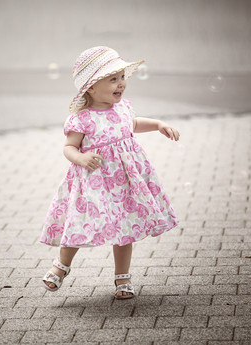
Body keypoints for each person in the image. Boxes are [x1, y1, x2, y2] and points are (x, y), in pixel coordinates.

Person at [40, 46, 180, 299]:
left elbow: (134, 124)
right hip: (92, 183)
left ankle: (122, 278)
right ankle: (60, 267)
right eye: (113, 79)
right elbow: (69, 147)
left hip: (126, 182)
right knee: (78, 224)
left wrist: (159, 124)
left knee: (126, 225)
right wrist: (80, 157)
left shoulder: (123, 108)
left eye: (123, 77)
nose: (121, 84)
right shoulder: (82, 118)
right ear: (91, 87)